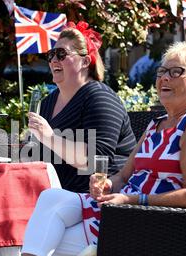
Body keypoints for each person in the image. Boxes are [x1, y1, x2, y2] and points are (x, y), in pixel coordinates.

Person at [0, 41, 186, 256]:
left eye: (176, 72)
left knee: (52, 241)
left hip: (147, 222)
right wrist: (107, 185)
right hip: (119, 212)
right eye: (162, 71)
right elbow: (122, 177)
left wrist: (132, 199)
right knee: (51, 205)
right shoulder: (156, 124)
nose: (164, 78)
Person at [28, 21, 136, 193]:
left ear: (85, 62)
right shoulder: (48, 102)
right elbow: (37, 154)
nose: (54, 60)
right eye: (51, 54)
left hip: (98, 198)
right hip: (55, 194)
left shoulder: (100, 98)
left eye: (62, 54)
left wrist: (49, 137)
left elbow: (95, 160)